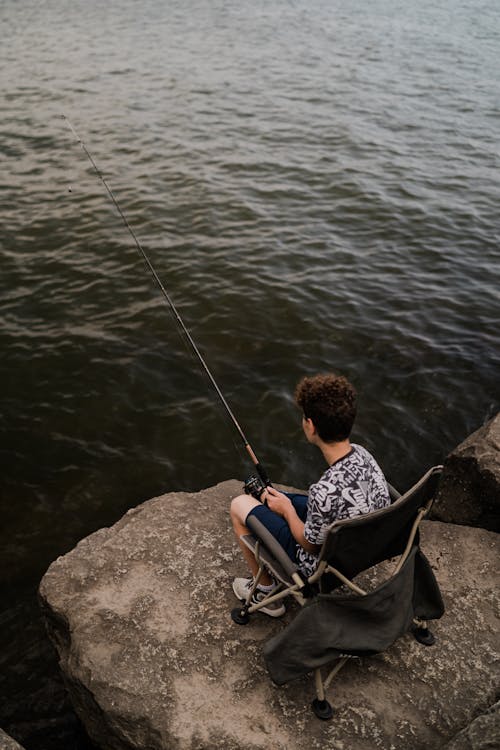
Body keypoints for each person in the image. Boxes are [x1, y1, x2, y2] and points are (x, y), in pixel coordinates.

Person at [230, 373, 391, 617]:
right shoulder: (362, 454)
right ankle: (266, 501)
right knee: (285, 499)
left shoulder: (323, 491)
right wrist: (287, 505)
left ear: (311, 425)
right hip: (362, 549)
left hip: (319, 567)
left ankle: (265, 590)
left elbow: (310, 545)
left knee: (239, 504)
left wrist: (287, 512)